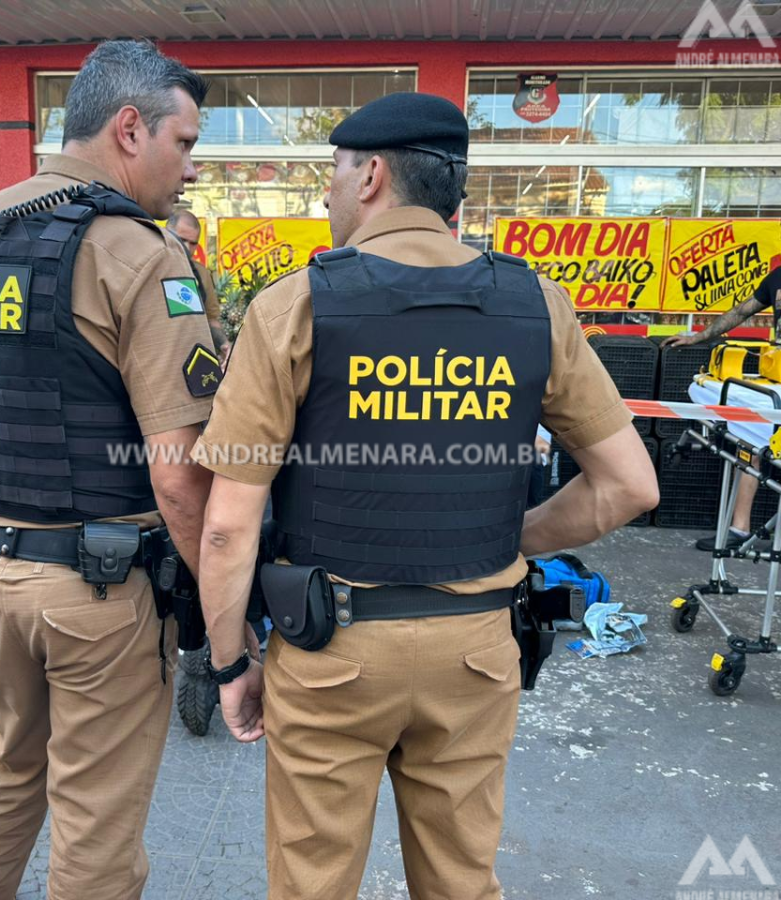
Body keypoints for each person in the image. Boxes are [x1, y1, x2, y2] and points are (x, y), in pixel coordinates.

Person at [193, 92, 659, 900]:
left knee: (311, 884)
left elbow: (230, 529)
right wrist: (515, 539)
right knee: (460, 883)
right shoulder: (535, 305)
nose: (325, 194)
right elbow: (630, 485)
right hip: (476, 649)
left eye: (333, 174)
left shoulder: (292, 307)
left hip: (331, 648)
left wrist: (231, 663)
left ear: (372, 174)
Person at [0, 41, 221, 900]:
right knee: (97, 817)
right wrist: (227, 616)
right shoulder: (138, 255)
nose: (191, 168)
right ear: (130, 128)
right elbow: (180, 477)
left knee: (5, 771)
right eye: (185, 143)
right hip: (101, 598)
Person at [663, 265, 781, 550]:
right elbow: (741, 312)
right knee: (750, 441)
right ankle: (739, 530)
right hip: (777, 378)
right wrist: (697, 337)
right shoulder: (777, 276)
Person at [166, 207, 231, 363]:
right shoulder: (150, 269)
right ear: (167, 234)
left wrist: (224, 344)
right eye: (182, 240)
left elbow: (210, 318)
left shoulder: (201, 274)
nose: (187, 248)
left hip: (193, 358)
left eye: (193, 243)